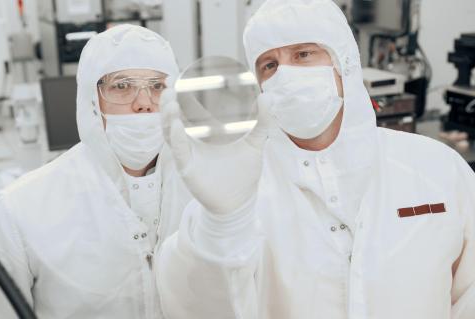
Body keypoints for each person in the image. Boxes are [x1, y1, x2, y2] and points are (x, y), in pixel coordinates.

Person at [156, 1, 475, 318]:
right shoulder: (240, 188)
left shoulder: (437, 168)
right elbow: (192, 305)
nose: (285, 74)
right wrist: (220, 225)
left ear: (344, 62)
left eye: (303, 54)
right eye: (269, 65)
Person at [0, 24, 190, 318]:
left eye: (157, 86)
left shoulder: (202, 188)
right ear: (90, 99)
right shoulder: (21, 209)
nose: (144, 104)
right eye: (121, 86)